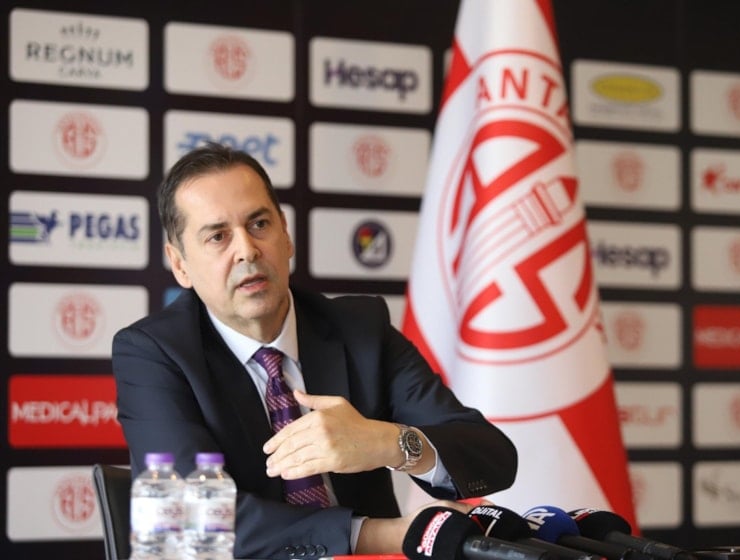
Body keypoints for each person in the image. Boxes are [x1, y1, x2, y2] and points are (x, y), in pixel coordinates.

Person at [112, 142, 518, 559]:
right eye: (218, 236)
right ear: (180, 264)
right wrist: (385, 535)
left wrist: (387, 442)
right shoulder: (154, 354)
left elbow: (492, 456)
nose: (247, 250)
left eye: (259, 224)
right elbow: (194, 517)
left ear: (285, 235)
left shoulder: (359, 328)